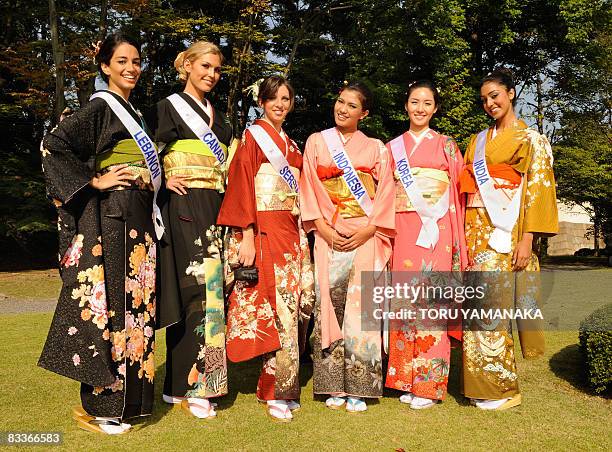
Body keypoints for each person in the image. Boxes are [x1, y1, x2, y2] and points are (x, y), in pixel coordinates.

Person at [39, 32, 158, 434]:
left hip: (138, 218)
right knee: (110, 310)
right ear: (105, 66)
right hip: (114, 218)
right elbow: (53, 145)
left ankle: (133, 403)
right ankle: (104, 405)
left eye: (136, 61)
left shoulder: (135, 114)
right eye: (122, 61)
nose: (131, 68)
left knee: (136, 307)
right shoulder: (99, 108)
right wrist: (94, 181)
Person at [459, 68, 558, 410]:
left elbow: (537, 191)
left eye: (495, 96)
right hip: (475, 228)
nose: (489, 103)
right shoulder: (477, 140)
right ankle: (478, 386)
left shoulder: (532, 139)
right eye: (484, 99)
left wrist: (527, 238)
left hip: (506, 231)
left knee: (494, 307)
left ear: (511, 93)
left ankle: (501, 389)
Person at [217, 75, 314, 422]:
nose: (280, 105)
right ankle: (274, 391)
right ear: (261, 101)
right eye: (273, 98)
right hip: (263, 230)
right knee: (277, 309)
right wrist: (245, 234)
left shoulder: (289, 142)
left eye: (286, 99)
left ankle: (282, 386)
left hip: (290, 230)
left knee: (298, 303)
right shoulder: (253, 137)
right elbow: (242, 182)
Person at [300, 81, 395, 413]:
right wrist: (323, 229)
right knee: (330, 300)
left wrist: (370, 229)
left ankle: (360, 384)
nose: (342, 108)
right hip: (329, 229)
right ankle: (331, 384)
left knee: (360, 305)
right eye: (340, 101)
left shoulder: (376, 148)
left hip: (365, 232)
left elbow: (386, 193)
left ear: (364, 113)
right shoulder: (316, 141)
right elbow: (308, 186)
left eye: (352, 105)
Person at [151, 42, 232, 419]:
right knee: (198, 292)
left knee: (208, 292)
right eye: (204, 66)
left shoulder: (223, 120)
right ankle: (200, 387)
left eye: (216, 69)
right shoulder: (167, 108)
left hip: (214, 207)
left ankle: (177, 387)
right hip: (182, 207)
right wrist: (164, 176)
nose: (211, 74)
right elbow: (148, 154)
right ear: (186, 66)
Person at [384, 80, 468, 409]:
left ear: (435, 108)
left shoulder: (447, 145)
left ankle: (429, 384)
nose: (420, 108)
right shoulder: (392, 148)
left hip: (437, 228)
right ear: (406, 105)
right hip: (403, 226)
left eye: (427, 103)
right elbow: (384, 194)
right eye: (415, 101)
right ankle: (406, 378)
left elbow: (458, 191)